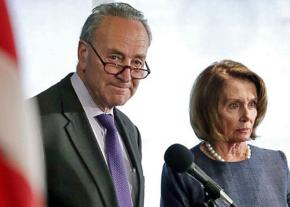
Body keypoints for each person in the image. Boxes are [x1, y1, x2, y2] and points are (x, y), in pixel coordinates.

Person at [34, 2, 151, 207]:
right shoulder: (34, 121)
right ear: (83, 54)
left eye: (137, 63)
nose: (126, 76)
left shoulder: (130, 131)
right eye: (115, 58)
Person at [161, 60, 290, 207]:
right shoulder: (184, 170)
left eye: (252, 104)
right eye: (234, 105)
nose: (247, 116)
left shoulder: (276, 163)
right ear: (208, 111)